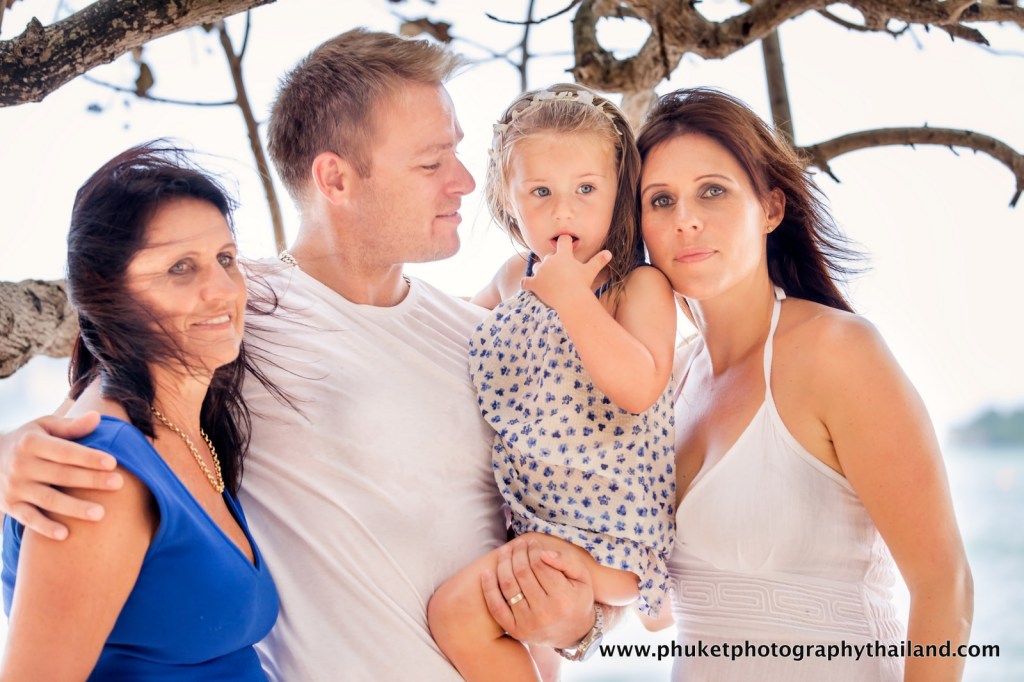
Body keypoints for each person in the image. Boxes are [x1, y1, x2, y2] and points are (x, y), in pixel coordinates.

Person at [0, 29, 597, 681]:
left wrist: (580, 626)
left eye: (457, 154)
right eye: (431, 163)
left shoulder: (484, 340)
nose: (462, 183)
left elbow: (575, 529)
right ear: (335, 178)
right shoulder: (238, 313)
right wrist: (8, 454)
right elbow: (98, 426)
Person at [636, 87, 973, 681]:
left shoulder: (836, 353)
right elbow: (659, 612)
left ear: (770, 208)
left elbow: (944, 586)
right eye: (660, 200)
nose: (685, 218)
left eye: (712, 190)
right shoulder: (662, 381)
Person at [0, 143, 279, 679]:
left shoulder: (184, 428)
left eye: (226, 258)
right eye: (180, 268)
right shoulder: (101, 473)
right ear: (108, 297)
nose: (222, 290)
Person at [427, 84, 677, 680]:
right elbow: (451, 318)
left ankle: (654, 596)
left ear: (618, 194)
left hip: (606, 536)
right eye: (541, 192)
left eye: (585, 190)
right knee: (531, 649)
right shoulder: (518, 275)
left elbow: (639, 387)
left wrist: (575, 302)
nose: (564, 212)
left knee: (459, 615)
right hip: (528, 516)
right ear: (509, 202)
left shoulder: (636, 287)